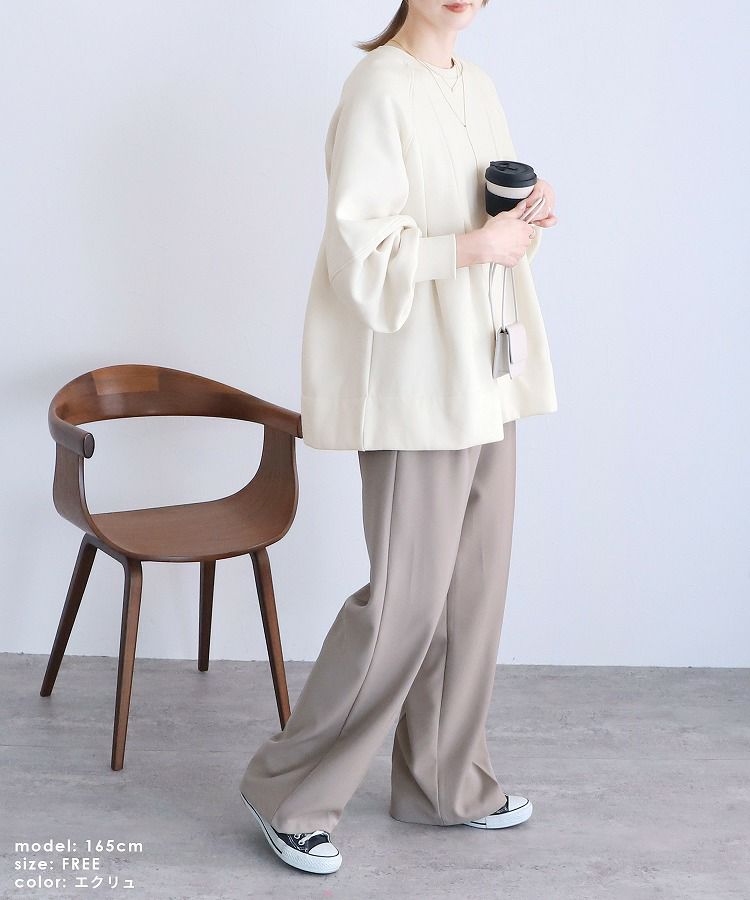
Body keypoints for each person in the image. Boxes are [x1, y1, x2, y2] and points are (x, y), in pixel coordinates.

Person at [239, 0, 558, 875]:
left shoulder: (478, 86)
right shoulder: (377, 87)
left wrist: (525, 220)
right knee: (406, 605)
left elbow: (483, 227)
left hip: (484, 368)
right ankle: (287, 791)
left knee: (471, 593)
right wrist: (475, 246)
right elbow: (360, 253)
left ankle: (445, 785)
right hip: (418, 380)